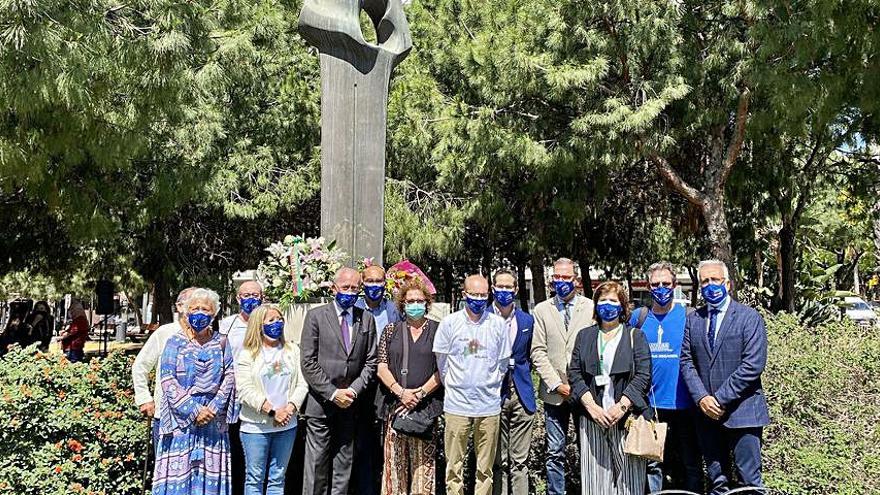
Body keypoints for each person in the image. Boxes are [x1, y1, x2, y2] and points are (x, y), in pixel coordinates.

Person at [680, 260, 770, 495]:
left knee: (748, 481)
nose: (710, 285)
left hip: (743, 412)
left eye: (715, 280)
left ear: (727, 284)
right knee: (717, 481)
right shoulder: (694, 319)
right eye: (705, 281)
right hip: (706, 416)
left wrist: (718, 399)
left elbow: (753, 365)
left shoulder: (749, 318)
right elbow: (686, 362)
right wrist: (702, 399)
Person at [299, 267, 378, 495]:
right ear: (334, 288)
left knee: (343, 464)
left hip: (351, 404)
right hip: (321, 404)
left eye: (355, 288)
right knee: (316, 465)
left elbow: (370, 362)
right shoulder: (316, 316)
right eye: (345, 287)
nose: (350, 292)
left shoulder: (367, 319)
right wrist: (333, 393)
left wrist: (352, 392)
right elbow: (308, 362)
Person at [568, 281, 651, 495]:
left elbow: (643, 375)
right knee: (595, 483)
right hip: (592, 419)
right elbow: (575, 374)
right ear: (595, 306)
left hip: (627, 420)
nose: (607, 305)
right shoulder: (584, 336)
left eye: (613, 300)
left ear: (623, 306)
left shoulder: (636, 336)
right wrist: (592, 407)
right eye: (602, 300)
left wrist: (621, 407)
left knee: (629, 482)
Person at [433, 274, 511, 495]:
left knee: (485, 469)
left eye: (483, 295)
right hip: (457, 405)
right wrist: (458, 384)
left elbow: (502, 363)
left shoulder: (497, 324)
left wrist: (490, 384)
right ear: (464, 294)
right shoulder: (450, 323)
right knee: (453, 467)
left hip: (488, 407)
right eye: (474, 294)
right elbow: (442, 362)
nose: (478, 299)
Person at [153, 288, 236, 495]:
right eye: (195, 308)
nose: (199, 312)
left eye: (205, 309)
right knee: (179, 477)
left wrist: (212, 408)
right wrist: (194, 410)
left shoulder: (222, 342)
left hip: (213, 423)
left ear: (214, 313)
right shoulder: (175, 342)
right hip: (180, 424)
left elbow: (230, 376)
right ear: (186, 312)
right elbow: (167, 379)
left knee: (209, 475)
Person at [629, 262, 702, 492]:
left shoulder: (689, 316)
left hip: (685, 404)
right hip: (650, 406)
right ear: (649, 287)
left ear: (675, 285)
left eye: (666, 284)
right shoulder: (638, 318)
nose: (661, 288)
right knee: (652, 465)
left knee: (690, 464)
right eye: (656, 284)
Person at [531, 258, 595, 495]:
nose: (561, 282)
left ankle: (588, 489)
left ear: (576, 280)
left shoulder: (590, 307)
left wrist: (581, 386)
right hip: (554, 393)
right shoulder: (542, 310)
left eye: (566, 277)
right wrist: (557, 384)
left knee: (587, 450)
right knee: (554, 451)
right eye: (556, 277)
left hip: (585, 393)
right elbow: (538, 351)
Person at [376, 277, 443, 495]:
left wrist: (420, 394)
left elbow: (444, 369)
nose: (415, 304)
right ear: (402, 303)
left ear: (427, 303)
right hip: (395, 407)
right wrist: (401, 393)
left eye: (419, 300)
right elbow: (381, 367)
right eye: (410, 300)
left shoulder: (438, 330)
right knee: (394, 470)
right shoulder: (391, 330)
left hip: (426, 409)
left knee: (423, 468)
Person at [235, 305, 308, 495]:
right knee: (254, 478)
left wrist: (289, 409)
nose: (277, 324)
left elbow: (302, 383)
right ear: (259, 325)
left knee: (277, 478)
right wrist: (273, 411)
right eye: (271, 320)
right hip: (256, 427)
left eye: (279, 319)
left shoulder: (293, 350)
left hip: (286, 426)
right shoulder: (247, 354)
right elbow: (244, 390)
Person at [487, 269, 536, 495]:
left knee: (520, 461)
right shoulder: (483, 317)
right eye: (500, 287)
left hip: (521, 395)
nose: (504, 291)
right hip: (493, 396)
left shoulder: (527, 320)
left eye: (509, 287)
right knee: (498, 461)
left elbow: (531, 355)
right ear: (493, 288)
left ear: (516, 289)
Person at [355, 264, 401, 495]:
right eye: (369, 281)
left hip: (387, 383)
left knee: (384, 442)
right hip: (359, 382)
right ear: (362, 283)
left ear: (386, 283)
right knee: (361, 441)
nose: (374, 286)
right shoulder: (354, 307)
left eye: (379, 281)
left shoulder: (394, 310)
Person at [133, 287, 197, 445]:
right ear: (180, 306)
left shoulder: (208, 336)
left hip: (199, 417)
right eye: (193, 304)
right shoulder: (165, 333)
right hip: (166, 416)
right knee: (164, 468)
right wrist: (144, 399)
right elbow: (140, 366)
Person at [219, 280, 264, 495]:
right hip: (233, 397)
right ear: (238, 298)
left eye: (255, 295)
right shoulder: (226, 325)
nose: (251, 299)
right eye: (246, 295)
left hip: (260, 398)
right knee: (235, 449)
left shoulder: (268, 321)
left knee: (254, 455)